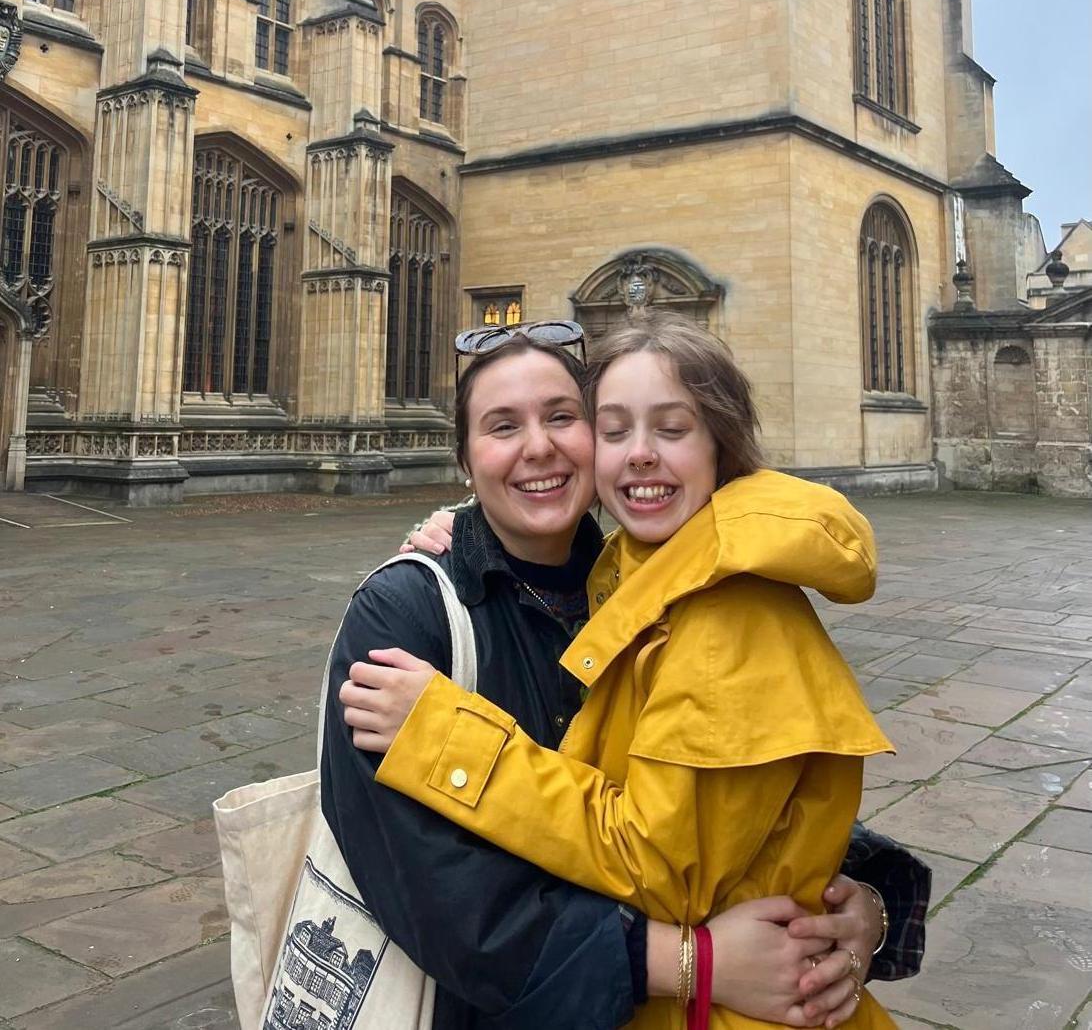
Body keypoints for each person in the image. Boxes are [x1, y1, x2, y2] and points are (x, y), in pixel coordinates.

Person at [337, 314, 917, 1029]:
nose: (540, 446)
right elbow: (437, 895)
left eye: (563, 417)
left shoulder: (677, 595)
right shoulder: (412, 612)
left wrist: (870, 901)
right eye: (502, 426)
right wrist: (690, 961)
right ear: (464, 457)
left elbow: (734, 815)